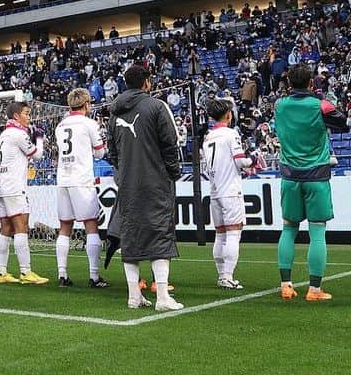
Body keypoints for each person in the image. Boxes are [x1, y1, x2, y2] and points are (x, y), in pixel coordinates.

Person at [106, 64, 183, 311]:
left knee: (130, 235)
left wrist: (123, 174)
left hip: (128, 184)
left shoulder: (114, 114)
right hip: (154, 182)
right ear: (147, 82)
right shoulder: (157, 107)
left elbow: (113, 152)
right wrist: (173, 172)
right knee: (159, 233)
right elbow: (170, 144)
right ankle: (162, 296)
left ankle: (133, 296)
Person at [273, 65, 343, 302]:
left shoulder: (280, 105)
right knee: (317, 231)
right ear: (311, 84)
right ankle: (314, 289)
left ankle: (285, 285)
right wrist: (319, 98)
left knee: (289, 228)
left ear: (289, 83)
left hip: (290, 176)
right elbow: (341, 121)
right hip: (316, 176)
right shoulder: (319, 105)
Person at [54, 87, 109, 289]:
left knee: (65, 227)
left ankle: (62, 274)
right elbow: (100, 153)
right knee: (91, 225)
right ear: (87, 104)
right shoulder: (89, 123)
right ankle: (94, 276)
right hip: (81, 179)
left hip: (63, 179)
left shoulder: (60, 125)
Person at [0, 100, 49, 285]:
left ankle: (1, 273)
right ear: (16, 116)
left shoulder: (4, 134)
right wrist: (39, 138)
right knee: (21, 227)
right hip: (14, 186)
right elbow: (38, 155)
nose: (29, 117)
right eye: (26, 113)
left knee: (6, 229)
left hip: (2, 185)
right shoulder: (18, 133)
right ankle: (26, 272)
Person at [202, 98, 252, 290]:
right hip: (230, 190)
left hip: (214, 191)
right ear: (229, 114)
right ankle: (228, 276)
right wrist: (254, 159)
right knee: (233, 233)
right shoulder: (231, 134)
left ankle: (222, 274)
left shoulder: (208, 138)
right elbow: (241, 161)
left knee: (220, 235)